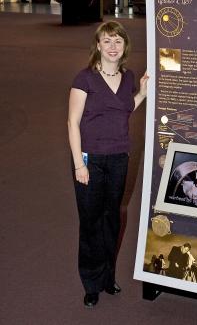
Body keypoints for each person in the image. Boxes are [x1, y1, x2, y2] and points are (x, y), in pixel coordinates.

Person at [68, 20, 148, 308]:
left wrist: (142, 93)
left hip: (118, 158)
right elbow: (72, 123)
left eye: (118, 41)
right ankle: (90, 282)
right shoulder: (85, 79)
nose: (113, 47)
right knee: (90, 222)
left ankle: (107, 277)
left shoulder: (128, 78)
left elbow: (124, 110)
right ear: (98, 45)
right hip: (89, 159)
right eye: (107, 41)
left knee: (112, 219)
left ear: (125, 46)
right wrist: (79, 164)